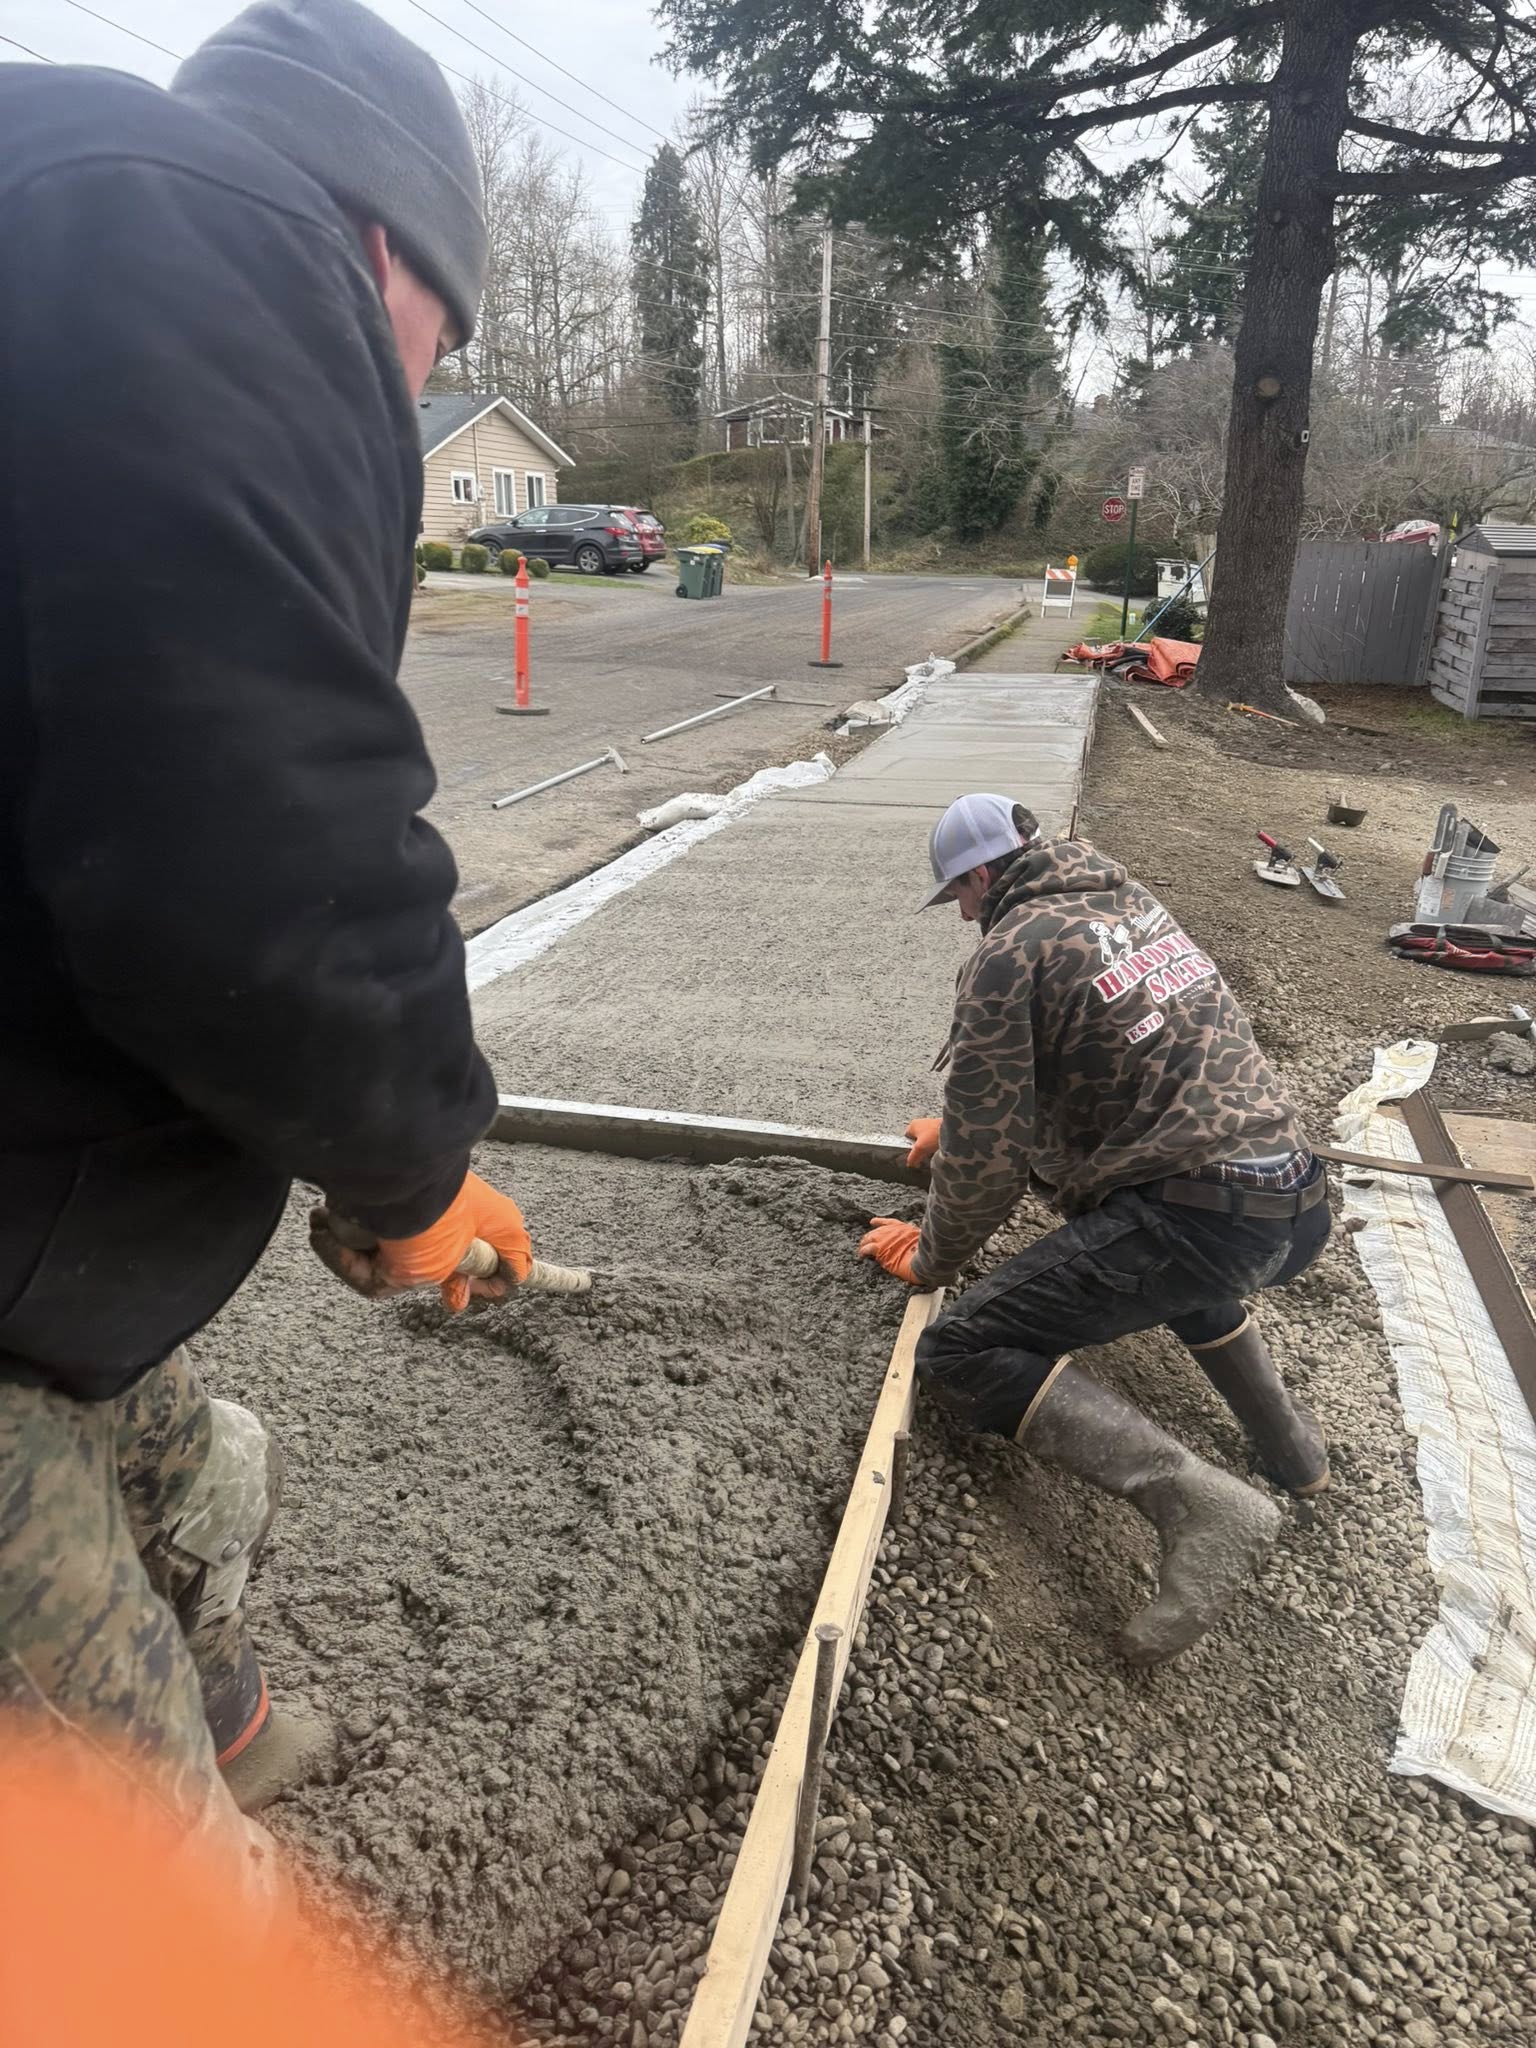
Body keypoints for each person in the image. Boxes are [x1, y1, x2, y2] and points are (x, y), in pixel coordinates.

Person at [0, 0, 534, 1873]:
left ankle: (224, 1711)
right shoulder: (204, 230)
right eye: (439, 346)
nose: (415, 394)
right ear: (386, 246)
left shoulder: (75, 230)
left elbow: (114, 758)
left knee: (201, 1458)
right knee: (136, 1893)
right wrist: (411, 1169)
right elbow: (251, 825)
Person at [859, 793, 1330, 1666]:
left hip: (1203, 1218)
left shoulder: (1008, 951)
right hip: (1293, 1200)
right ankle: (1294, 1451)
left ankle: (1204, 1508)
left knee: (959, 1349)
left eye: (958, 894)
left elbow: (991, 1162)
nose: (961, 914)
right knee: (1175, 1270)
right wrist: (955, 1126)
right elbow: (1118, 1062)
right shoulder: (1126, 900)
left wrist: (929, 1257)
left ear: (983, 874)